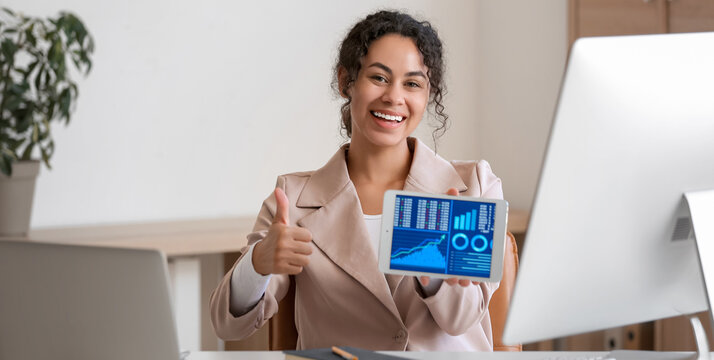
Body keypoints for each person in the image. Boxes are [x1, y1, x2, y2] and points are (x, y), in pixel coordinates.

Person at [209, 10, 503, 351]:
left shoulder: (474, 186)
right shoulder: (292, 200)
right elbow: (227, 324)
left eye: (412, 83)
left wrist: (434, 267)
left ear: (427, 94)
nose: (394, 97)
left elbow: (461, 320)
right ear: (346, 80)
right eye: (379, 78)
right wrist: (258, 262)